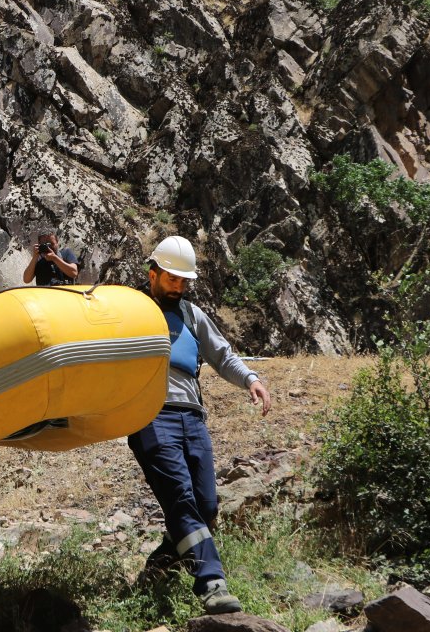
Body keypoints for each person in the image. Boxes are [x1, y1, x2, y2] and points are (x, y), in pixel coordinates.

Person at [131, 235, 272, 615]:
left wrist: (251, 379)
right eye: (172, 279)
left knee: (205, 506)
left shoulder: (192, 315)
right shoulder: (130, 310)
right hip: (151, 417)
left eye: (184, 281)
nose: (178, 286)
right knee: (180, 498)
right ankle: (212, 583)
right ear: (153, 274)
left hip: (192, 417)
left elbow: (222, 355)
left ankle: (157, 570)